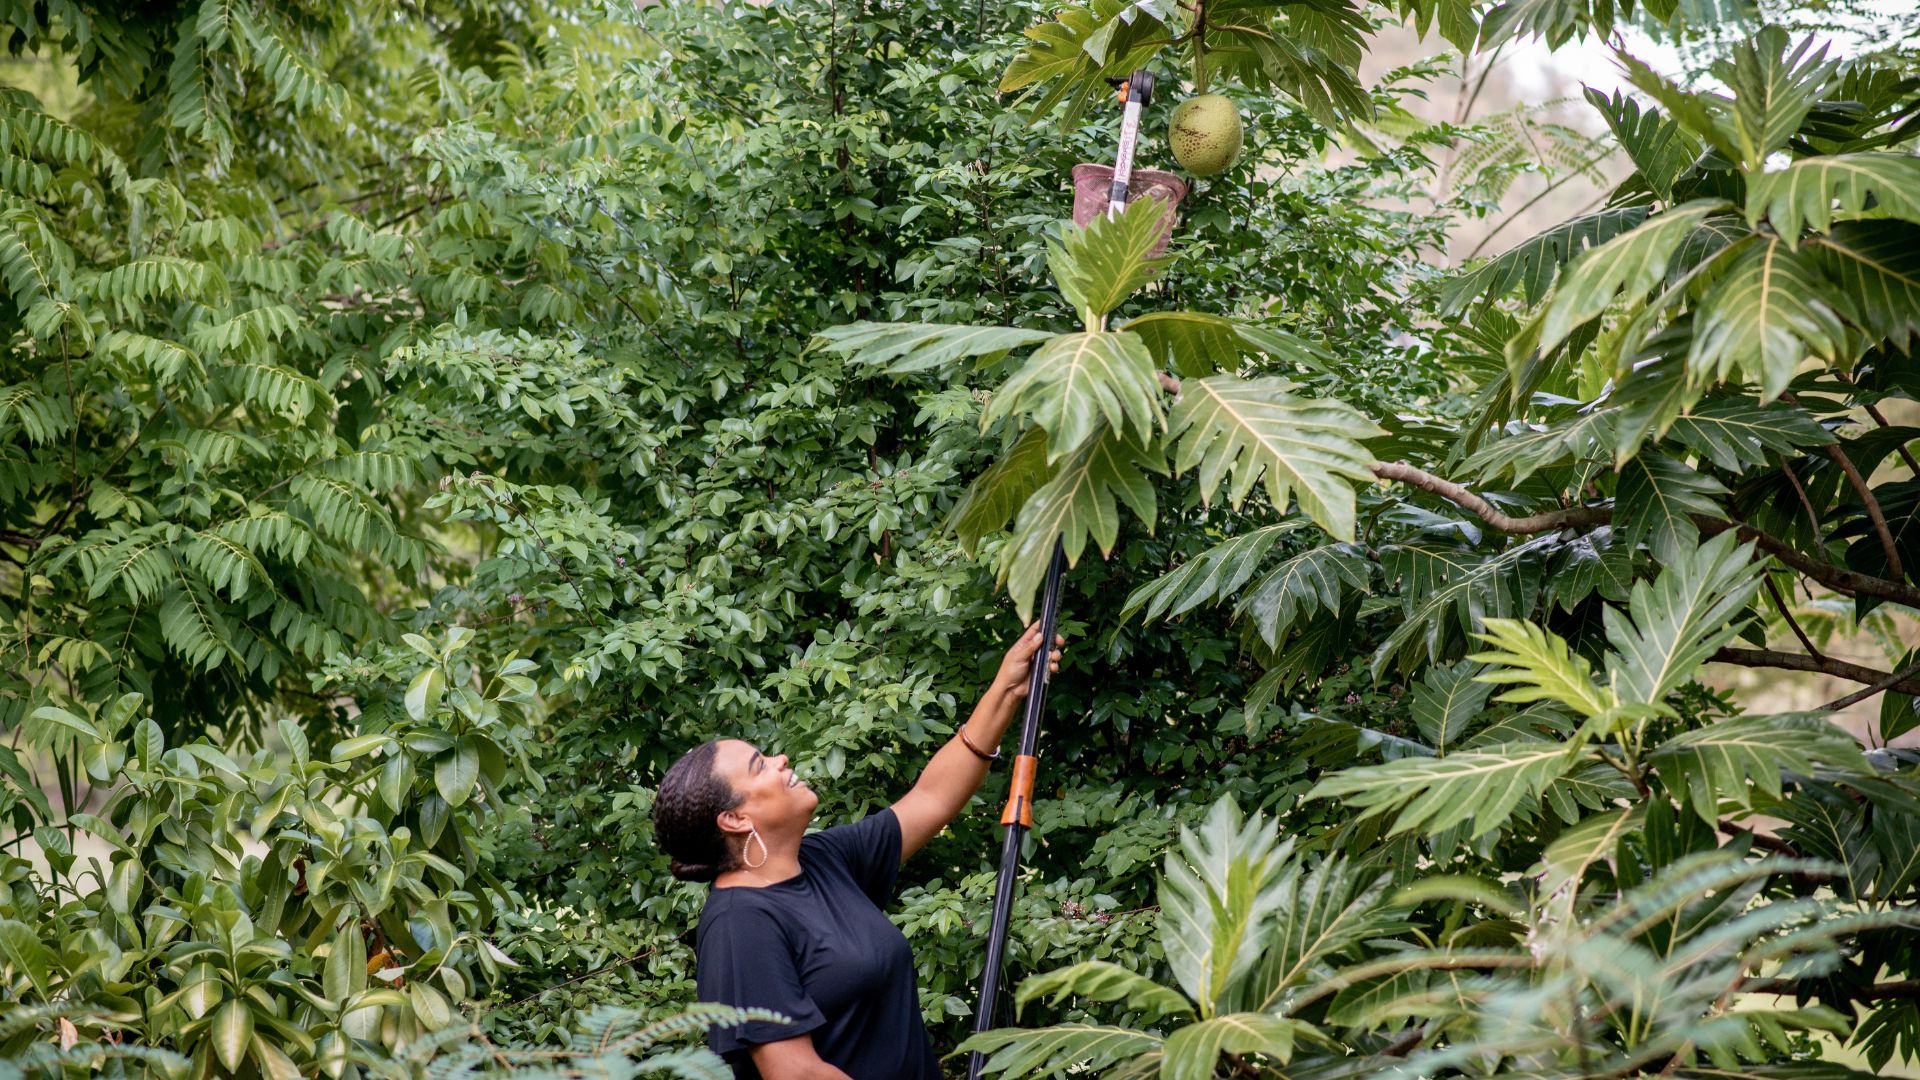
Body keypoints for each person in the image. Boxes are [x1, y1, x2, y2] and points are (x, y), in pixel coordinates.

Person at [650, 622, 1064, 1080]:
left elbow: (930, 800)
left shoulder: (824, 861)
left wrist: (1006, 689)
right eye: (760, 765)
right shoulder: (739, 924)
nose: (780, 760)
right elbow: (796, 1073)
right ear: (735, 819)